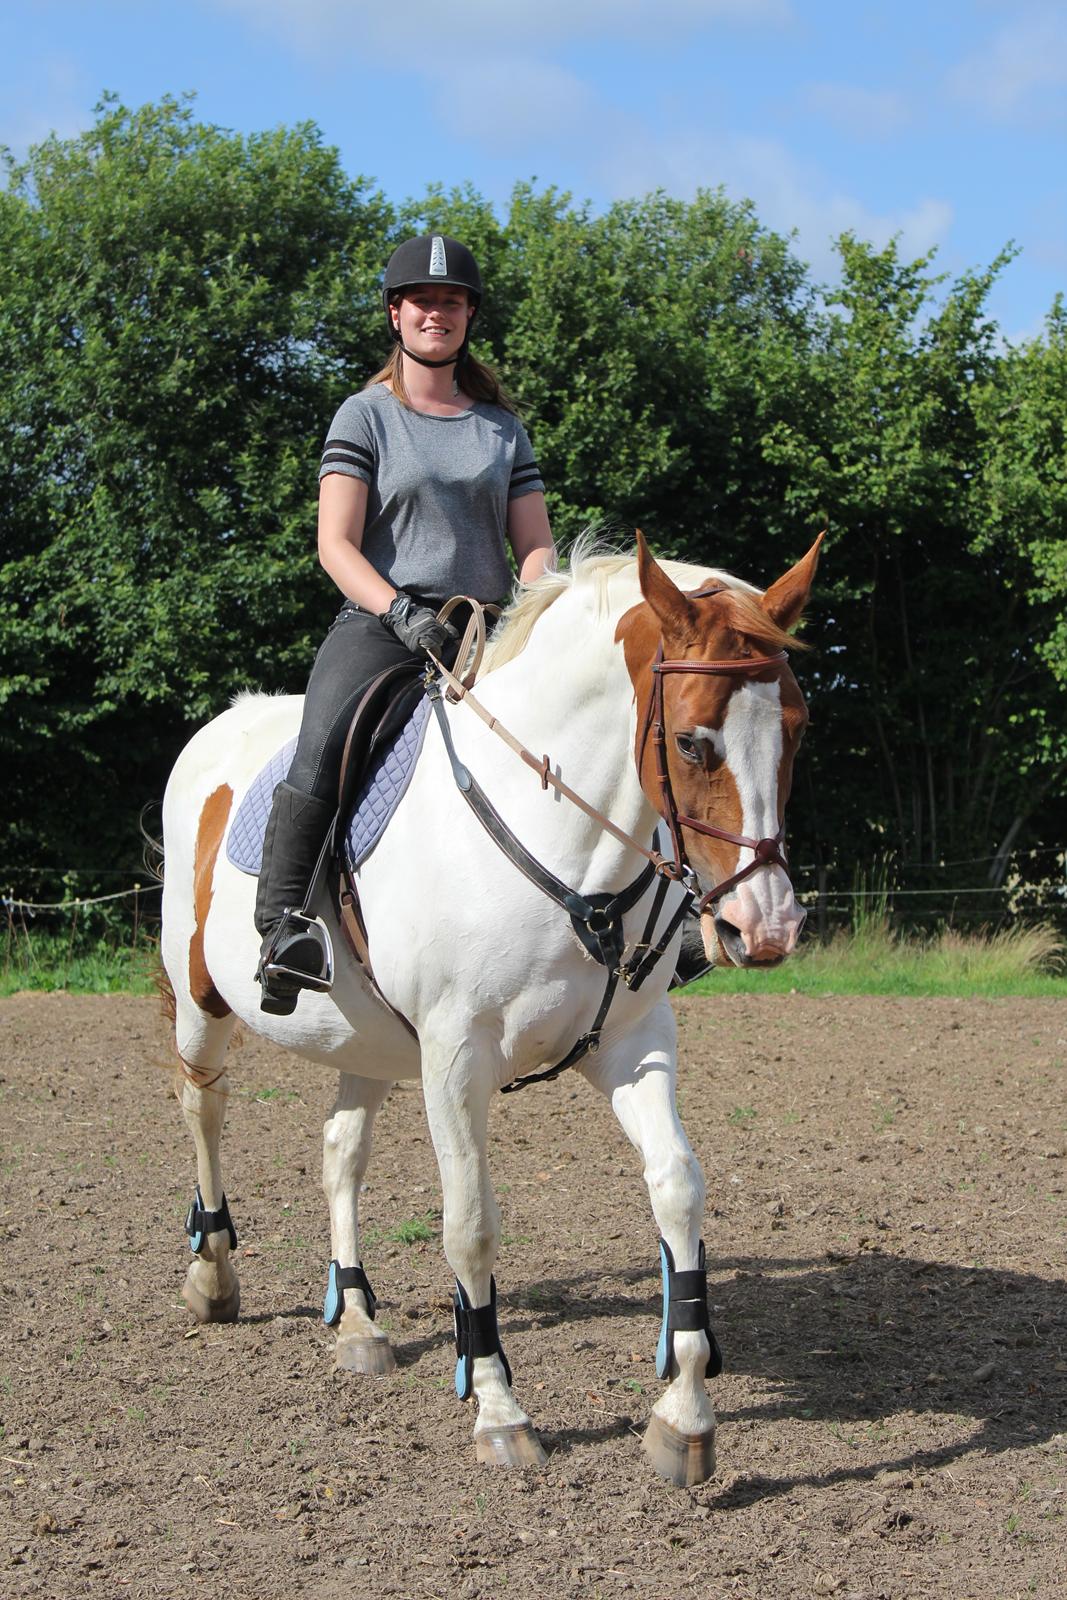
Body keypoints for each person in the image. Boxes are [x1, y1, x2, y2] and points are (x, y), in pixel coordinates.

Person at [254, 234, 556, 1014]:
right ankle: (282, 926)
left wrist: (530, 614)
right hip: (382, 623)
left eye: (451, 301)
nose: (436, 312)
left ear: (468, 316)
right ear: (396, 313)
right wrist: (400, 611)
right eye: (422, 300)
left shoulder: (501, 429)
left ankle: (661, 913)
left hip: (486, 630)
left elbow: (535, 546)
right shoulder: (365, 416)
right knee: (325, 745)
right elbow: (334, 544)